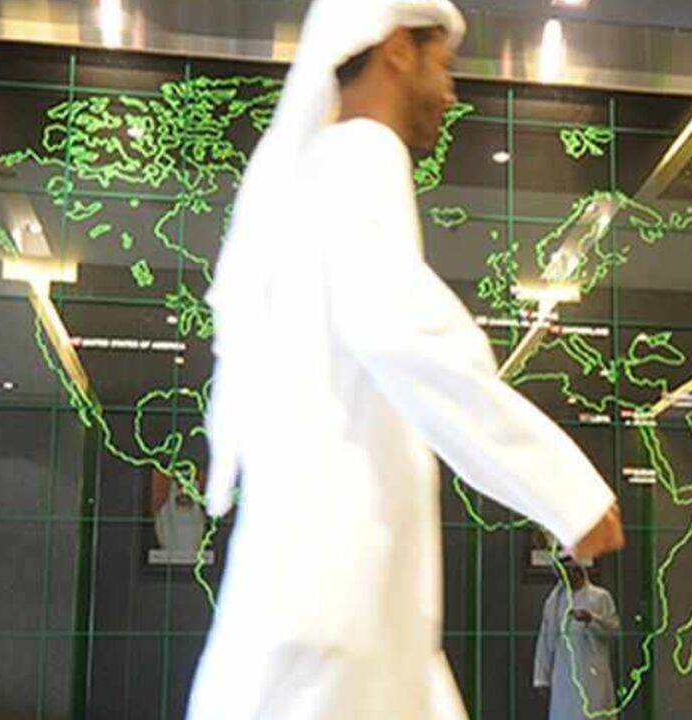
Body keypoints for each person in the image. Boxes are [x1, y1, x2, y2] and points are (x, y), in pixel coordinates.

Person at [188, 0, 625, 718]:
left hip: (340, 606)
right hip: (333, 612)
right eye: (443, 64)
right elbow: (405, 332)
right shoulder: (359, 156)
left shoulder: (310, 179)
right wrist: (561, 489)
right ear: (395, 49)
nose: (451, 93)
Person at [533, 563, 620, 720]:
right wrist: (542, 678)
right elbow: (545, 640)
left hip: (592, 673)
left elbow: (613, 630)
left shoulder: (600, 597)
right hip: (563, 675)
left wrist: (591, 619)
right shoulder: (554, 602)